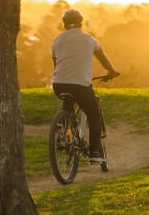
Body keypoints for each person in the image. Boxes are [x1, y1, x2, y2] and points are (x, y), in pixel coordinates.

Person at [51, 9, 119, 163]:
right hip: (81, 86)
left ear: (64, 24)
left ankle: (62, 124)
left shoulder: (57, 41)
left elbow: (57, 64)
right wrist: (111, 71)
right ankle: (95, 151)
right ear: (81, 23)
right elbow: (102, 57)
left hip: (58, 85)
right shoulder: (89, 40)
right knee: (93, 114)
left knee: (69, 97)